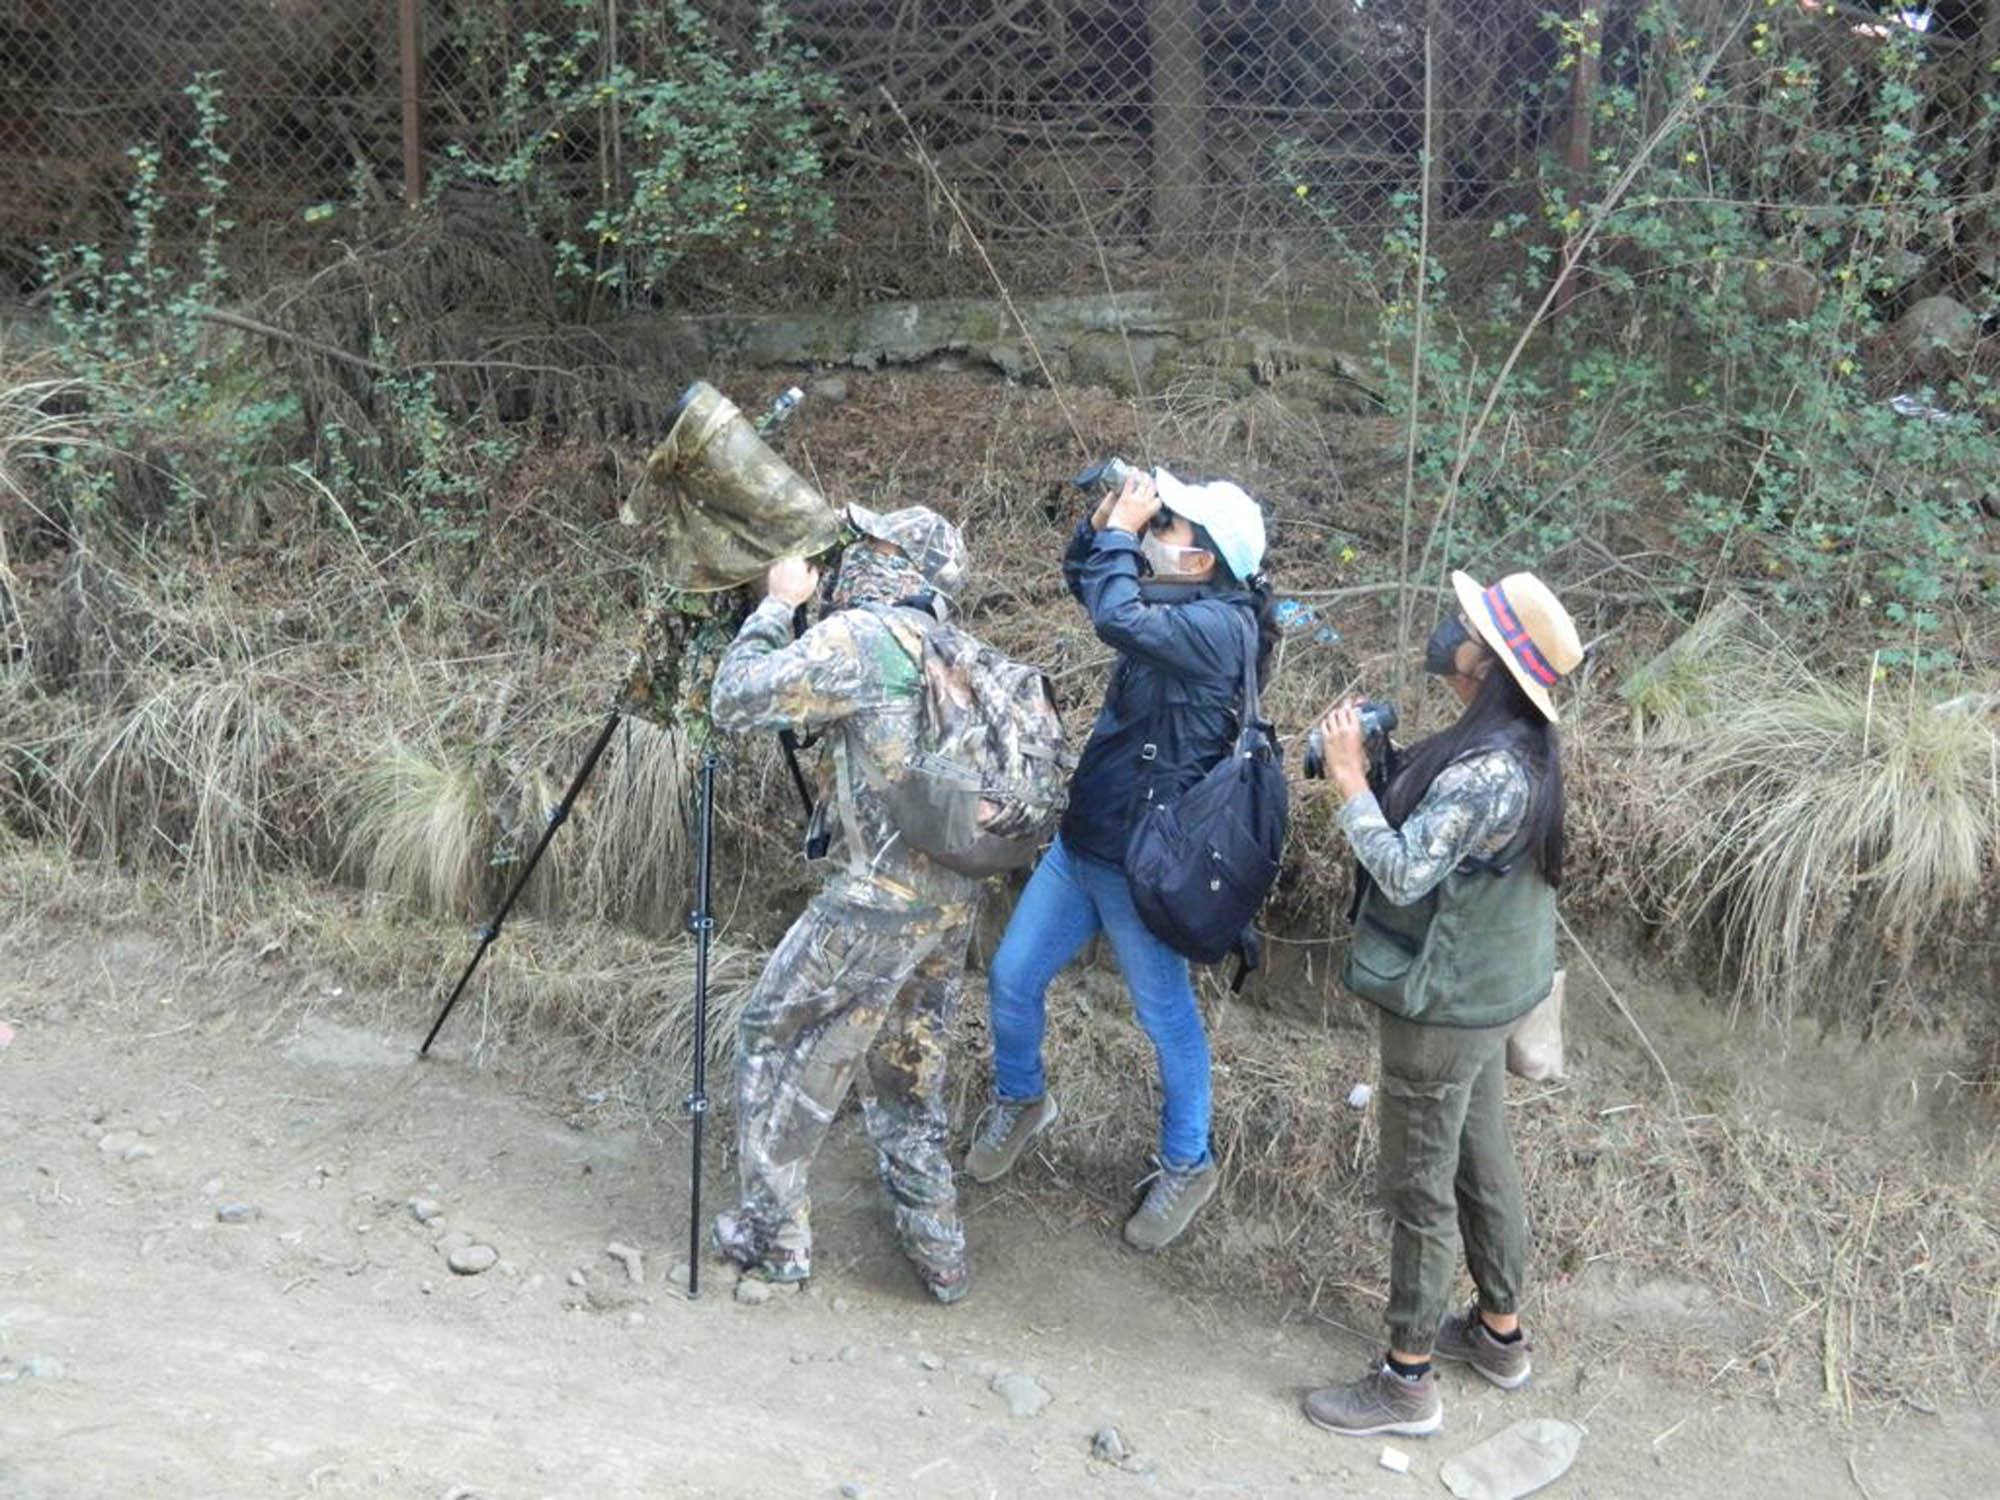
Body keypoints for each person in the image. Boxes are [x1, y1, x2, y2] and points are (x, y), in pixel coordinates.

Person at [1300, 570, 1583, 1438]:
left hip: (1444, 1009)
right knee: (1481, 1156)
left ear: (1489, 663)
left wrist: (1348, 778)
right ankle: (1500, 1336)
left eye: (1464, 626)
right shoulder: (1517, 746)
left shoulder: (1489, 768)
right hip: (1494, 996)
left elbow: (1401, 869)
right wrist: (1385, 766)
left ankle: (1406, 1380)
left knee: (1420, 1189)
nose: (1447, 632)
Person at [966, 465, 1274, 1252]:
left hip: (1146, 865)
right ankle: (1021, 1098)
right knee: (1012, 976)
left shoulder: (1219, 627)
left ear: (1202, 560)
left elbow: (1114, 614)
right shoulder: (1181, 600)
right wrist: (1101, 526)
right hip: (1089, 839)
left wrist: (1117, 539)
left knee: (1165, 1017)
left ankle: (1187, 1161)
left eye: (1167, 530)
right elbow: (1092, 583)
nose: (1154, 536)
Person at [707, 503, 980, 1303]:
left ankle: (774, 1238)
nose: (851, 555)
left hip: (873, 903)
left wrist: (778, 605)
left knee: (772, 1036)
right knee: (907, 1077)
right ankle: (941, 1256)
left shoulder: (861, 638)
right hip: (952, 902)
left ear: (898, 562)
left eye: (869, 543)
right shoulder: (953, 648)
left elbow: (736, 698)